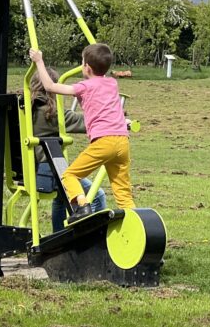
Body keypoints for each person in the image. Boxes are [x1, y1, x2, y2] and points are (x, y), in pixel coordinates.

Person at [29, 43, 133, 222]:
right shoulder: (112, 84)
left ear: (86, 67)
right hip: (122, 141)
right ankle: (135, 220)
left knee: (70, 175)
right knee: (122, 190)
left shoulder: (83, 87)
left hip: (104, 142)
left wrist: (39, 61)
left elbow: (50, 86)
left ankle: (82, 206)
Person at [29, 67, 107, 232]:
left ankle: (59, 234)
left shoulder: (26, 109)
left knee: (60, 198)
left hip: (30, 169)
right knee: (98, 195)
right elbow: (84, 122)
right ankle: (97, 238)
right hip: (49, 170)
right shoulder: (51, 113)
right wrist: (113, 117)